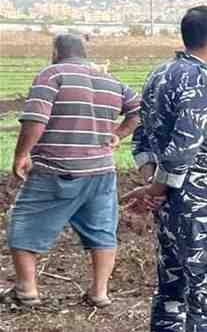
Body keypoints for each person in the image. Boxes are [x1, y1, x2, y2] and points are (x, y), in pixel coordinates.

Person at [123, 6, 207, 332]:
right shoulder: (202, 81)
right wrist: (155, 189)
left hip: (172, 208)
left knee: (172, 296)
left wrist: (153, 184)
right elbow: (184, 146)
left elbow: (142, 135)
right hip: (204, 209)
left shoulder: (159, 75)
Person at [5, 34, 141, 308]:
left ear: (56, 52)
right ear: (84, 53)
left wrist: (21, 154)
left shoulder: (52, 74)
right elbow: (140, 109)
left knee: (23, 224)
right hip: (101, 172)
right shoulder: (110, 81)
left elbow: (36, 119)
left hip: (57, 168)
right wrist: (119, 133)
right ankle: (99, 293)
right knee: (102, 231)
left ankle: (26, 291)